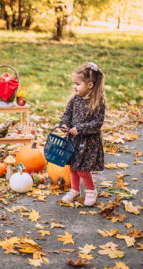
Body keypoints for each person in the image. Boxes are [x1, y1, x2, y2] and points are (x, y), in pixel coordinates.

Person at [59, 62, 106, 206]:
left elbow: (97, 124)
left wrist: (80, 128)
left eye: (78, 84)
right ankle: (75, 190)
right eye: (74, 83)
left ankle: (91, 190)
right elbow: (67, 114)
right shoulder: (74, 99)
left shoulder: (97, 102)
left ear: (90, 85)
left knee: (83, 169)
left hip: (88, 143)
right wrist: (65, 124)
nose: (74, 87)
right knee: (73, 166)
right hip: (73, 140)